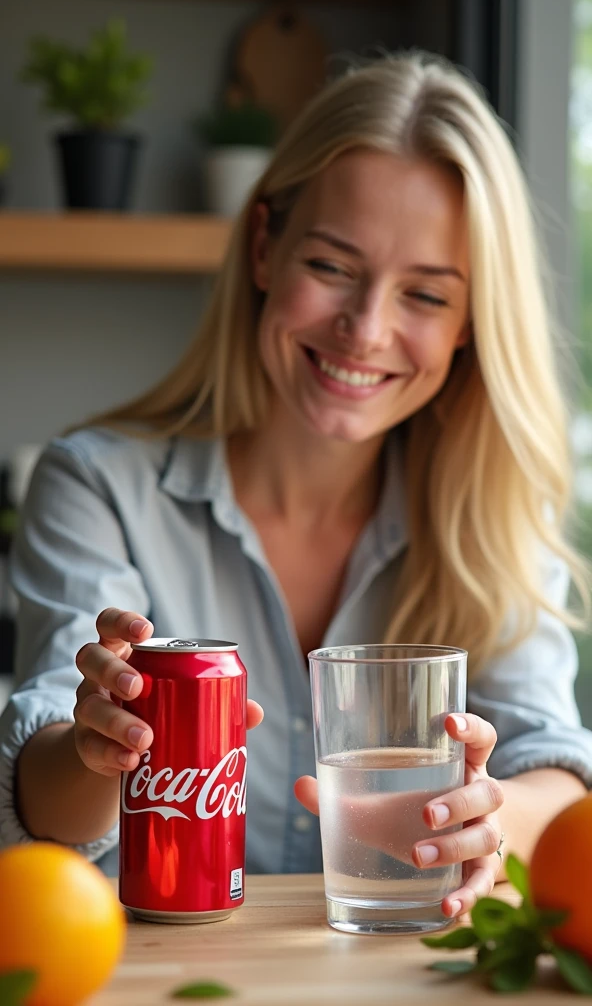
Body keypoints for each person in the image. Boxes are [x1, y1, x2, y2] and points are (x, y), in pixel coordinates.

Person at [1, 50, 591, 921]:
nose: (366, 328)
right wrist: (94, 748)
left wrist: (488, 821)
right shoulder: (97, 485)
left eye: (426, 296)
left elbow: (554, 766)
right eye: (333, 266)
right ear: (266, 247)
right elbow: (47, 801)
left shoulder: (491, 509)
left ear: (472, 324)